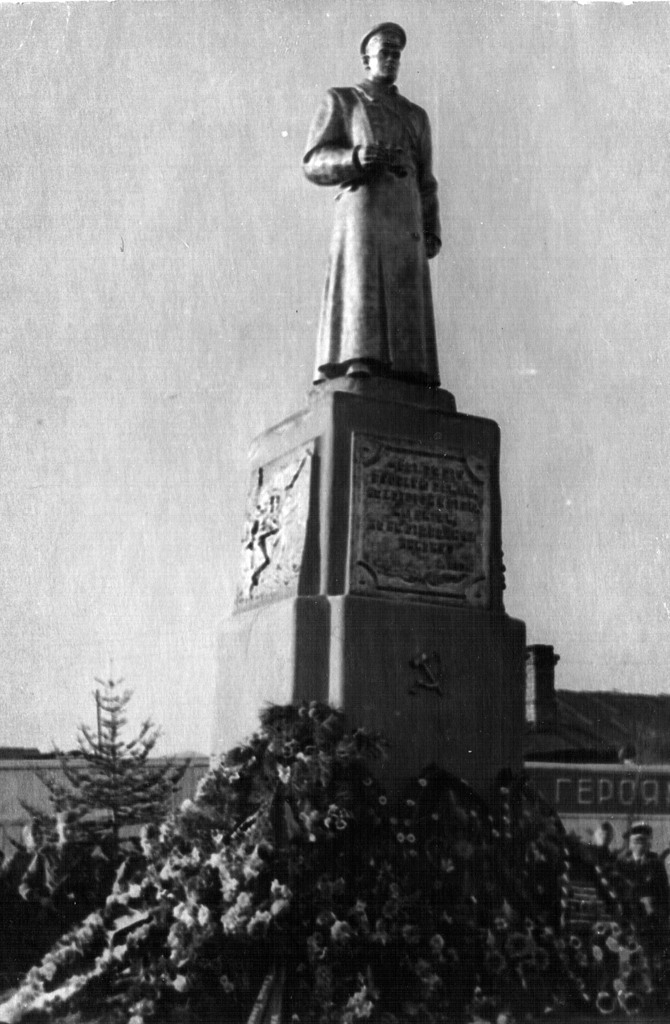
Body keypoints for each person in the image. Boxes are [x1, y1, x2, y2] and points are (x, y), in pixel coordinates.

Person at [303, 23, 442, 386]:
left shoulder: (415, 116)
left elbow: (427, 182)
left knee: (405, 301)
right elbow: (314, 161)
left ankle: (410, 373)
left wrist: (431, 229)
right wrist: (356, 158)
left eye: (397, 54)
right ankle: (356, 360)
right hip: (364, 217)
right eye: (385, 52)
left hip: (405, 221)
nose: (392, 59)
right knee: (362, 294)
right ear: (367, 59)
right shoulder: (345, 101)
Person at [614, 822, 670, 977]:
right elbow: (615, 889)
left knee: (649, 960)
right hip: (627, 917)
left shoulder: (656, 864)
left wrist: (657, 912)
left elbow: (664, 893)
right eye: (635, 841)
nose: (639, 844)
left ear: (648, 843)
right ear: (630, 843)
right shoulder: (621, 863)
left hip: (649, 920)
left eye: (642, 841)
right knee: (625, 958)